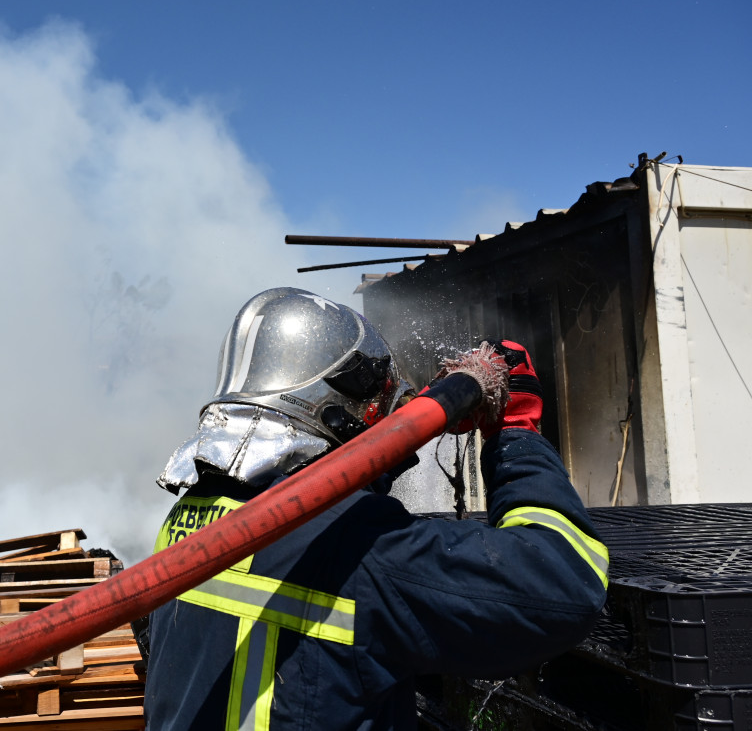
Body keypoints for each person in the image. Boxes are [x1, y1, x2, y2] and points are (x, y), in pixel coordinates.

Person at [143, 288, 607, 730]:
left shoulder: (192, 512)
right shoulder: (355, 546)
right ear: (335, 410)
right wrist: (517, 434)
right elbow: (567, 581)